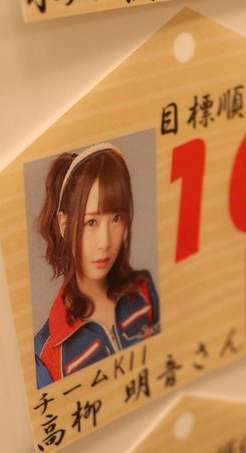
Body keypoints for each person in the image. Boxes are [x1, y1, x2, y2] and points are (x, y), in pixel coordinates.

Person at [33, 143, 160, 389]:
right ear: (64, 225)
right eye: (91, 222)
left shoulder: (144, 290)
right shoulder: (48, 352)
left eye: (116, 218)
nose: (105, 243)